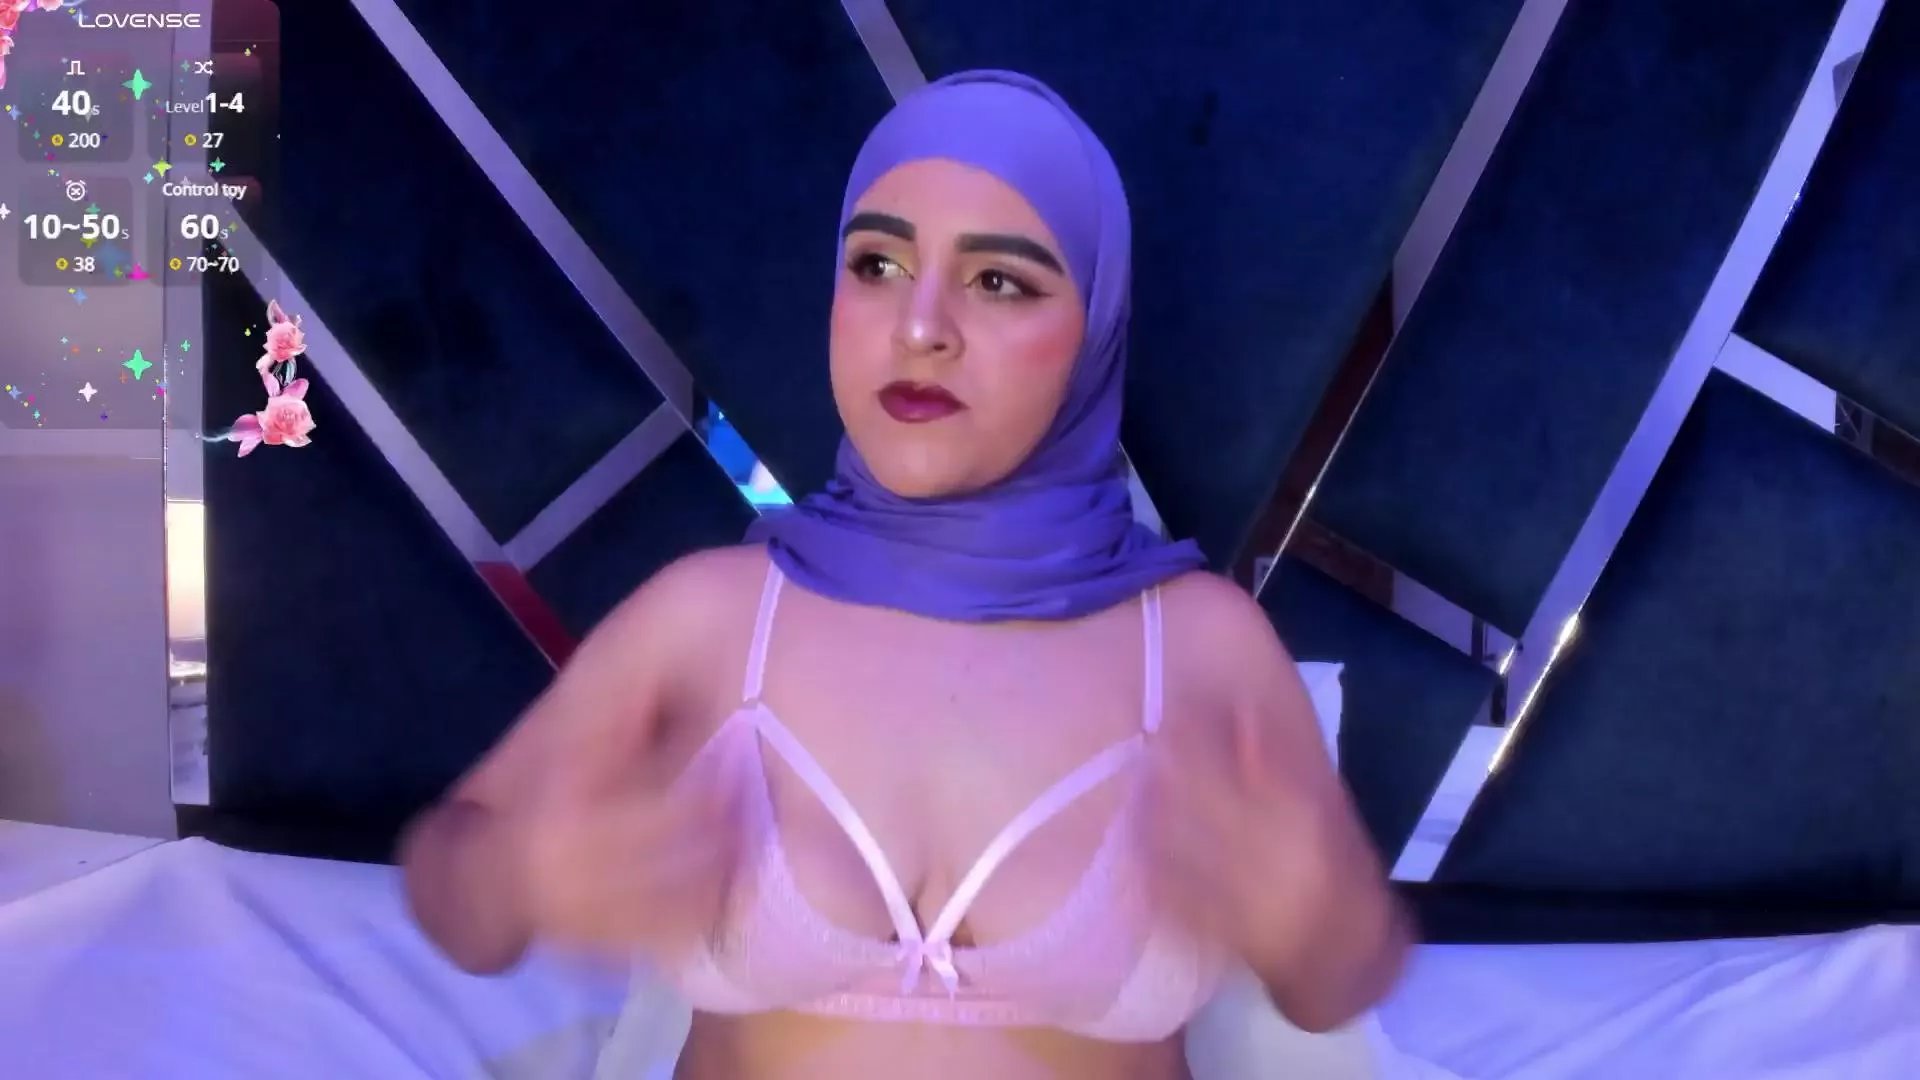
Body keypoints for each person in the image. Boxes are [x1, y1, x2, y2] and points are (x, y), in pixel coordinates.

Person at [401, 69, 1410, 1080]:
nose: (919, 327)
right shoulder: (708, 618)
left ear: (1096, 327)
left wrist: (1317, 924)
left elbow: (1338, 982)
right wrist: (514, 877)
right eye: (877, 264)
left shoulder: (1198, 644)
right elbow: (455, 893)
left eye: (998, 280)